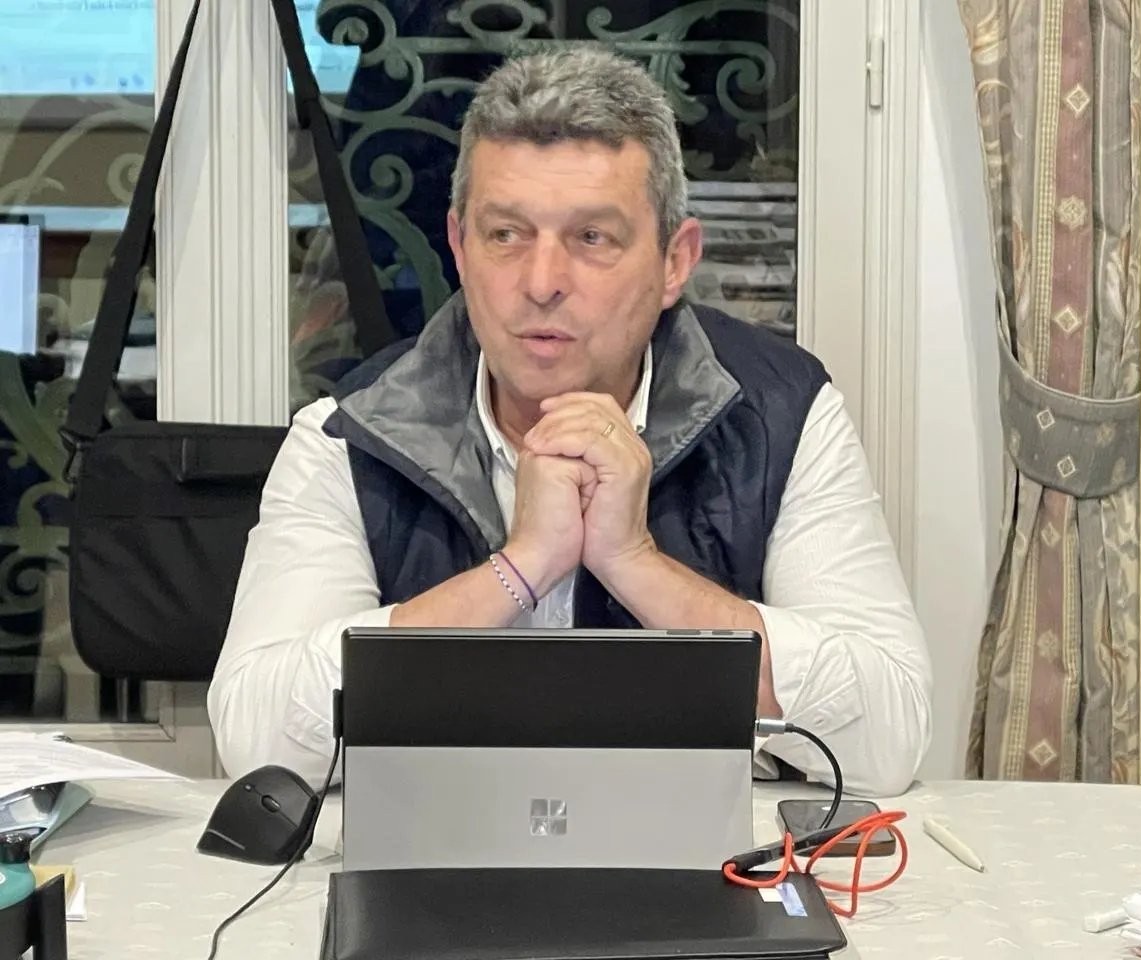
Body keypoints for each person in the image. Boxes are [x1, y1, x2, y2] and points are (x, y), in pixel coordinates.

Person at [208, 46, 932, 797]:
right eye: (506, 234)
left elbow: (888, 737)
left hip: (702, 853)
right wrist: (519, 569)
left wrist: (636, 562)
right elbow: (257, 744)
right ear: (459, 247)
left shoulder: (780, 415)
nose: (542, 282)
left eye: (592, 238)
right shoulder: (350, 431)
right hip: (440, 850)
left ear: (675, 261)